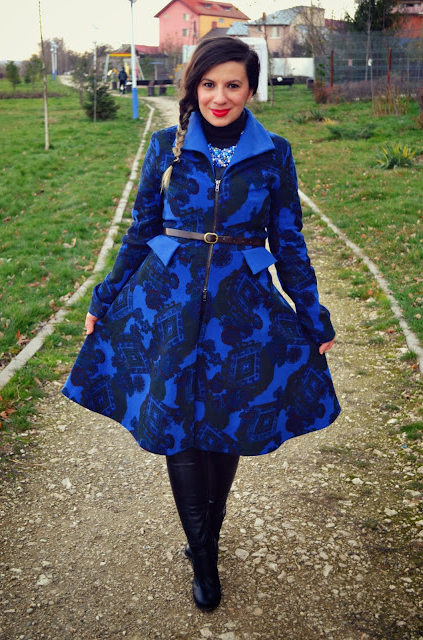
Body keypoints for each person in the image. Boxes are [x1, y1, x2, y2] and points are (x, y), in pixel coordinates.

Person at [62, 37, 340, 612]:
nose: (220, 97)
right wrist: (104, 296)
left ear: (251, 89)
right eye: (209, 84)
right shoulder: (165, 146)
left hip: (242, 312)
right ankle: (204, 553)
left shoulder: (275, 154)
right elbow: (141, 231)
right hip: (168, 305)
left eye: (233, 85)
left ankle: (207, 535)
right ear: (193, 86)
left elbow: (289, 241)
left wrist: (313, 314)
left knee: (225, 421)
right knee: (180, 430)